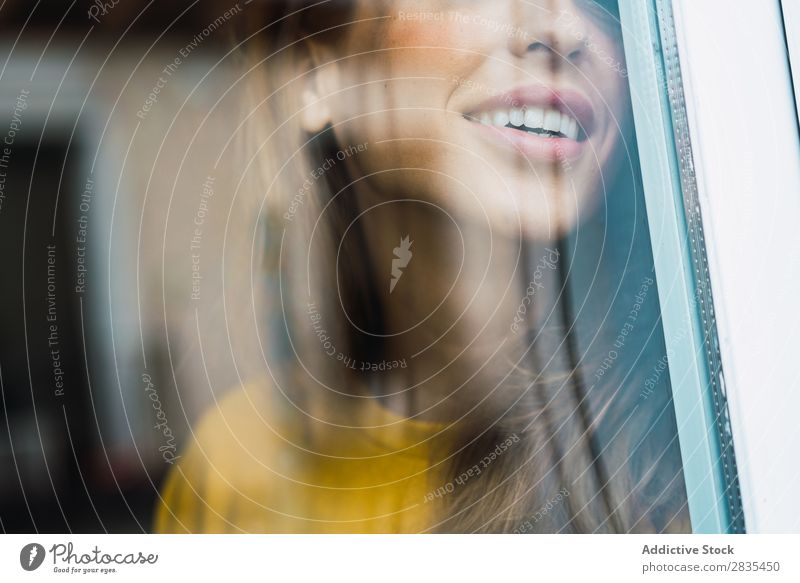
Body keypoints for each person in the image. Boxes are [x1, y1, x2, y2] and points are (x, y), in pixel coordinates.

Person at [154, 0, 689, 534]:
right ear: (316, 74)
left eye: (603, 1)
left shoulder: (713, 439)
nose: (566, 28)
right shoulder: (236, 471)